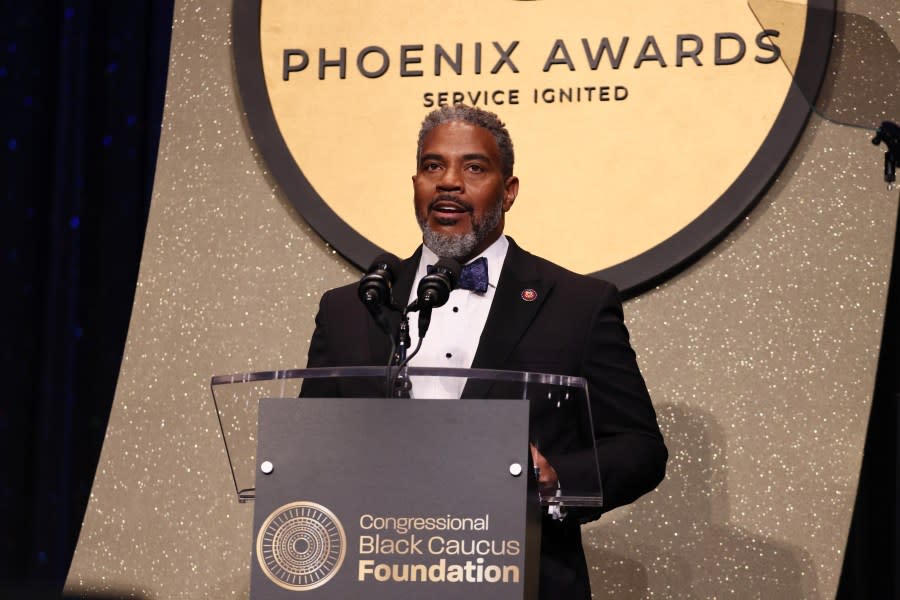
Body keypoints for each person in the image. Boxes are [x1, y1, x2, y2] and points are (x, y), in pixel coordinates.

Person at [305, 104, 667, 598]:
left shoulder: (578, 305)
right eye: (433, 166)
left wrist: (557, 478)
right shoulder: (350, 309)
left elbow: (640, 447)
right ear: (415, 184)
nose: (449, 182)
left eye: (474, 167)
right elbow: (308, 450)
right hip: (373, 577)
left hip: (524, 578)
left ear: (509, 190)